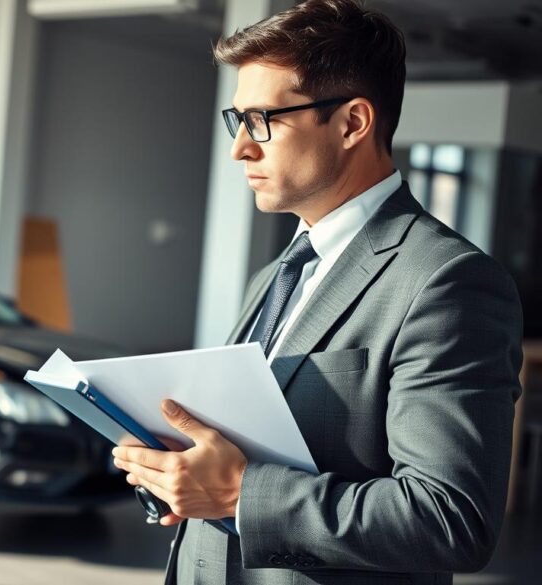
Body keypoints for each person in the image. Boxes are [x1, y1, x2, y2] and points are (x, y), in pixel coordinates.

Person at [110, 1, 524, 584]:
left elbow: (450, 520)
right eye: (238, 122)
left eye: (262, 122)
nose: (240, 149)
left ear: (353, 122)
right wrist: (181, 471)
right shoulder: (276, 275)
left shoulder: (447, 282)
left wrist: (238, 492)